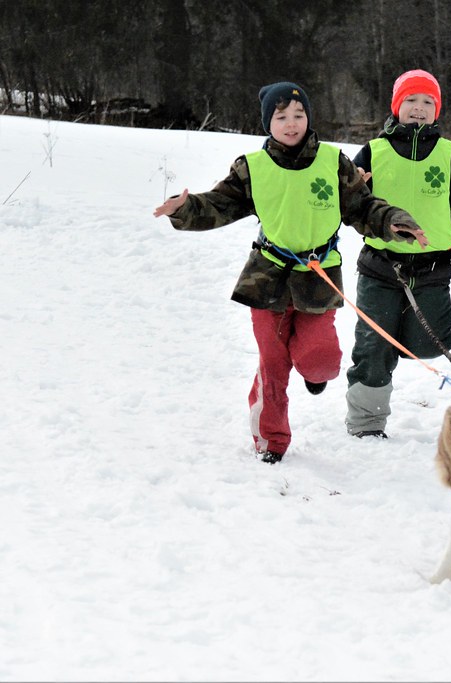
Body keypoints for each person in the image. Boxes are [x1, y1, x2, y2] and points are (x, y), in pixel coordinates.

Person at [153, 81, 428, 464]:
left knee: (322, 359)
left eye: (299, 115)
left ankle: (313, 373)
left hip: (319, 277)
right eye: (281, 117)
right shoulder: (253, 168)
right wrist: (183, 209)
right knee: (273, 363)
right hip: (267, 278)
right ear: (269, 122)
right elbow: (218, 204)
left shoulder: (333, 163)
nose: (291, 123)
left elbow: (364, 208)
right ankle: (272, 441)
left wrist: (394, 221)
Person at [345, 69, 451, 439]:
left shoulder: (448, 155)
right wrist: (354, 186)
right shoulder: (374, 151)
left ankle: (391, 346)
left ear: (436, 110)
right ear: (397, 106)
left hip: (432, 269)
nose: (419, 109)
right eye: (411, 100)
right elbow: (348, 204)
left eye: (427, 102)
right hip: (380, 267)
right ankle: (366, 425)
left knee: (427, 345)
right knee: (374, 344)